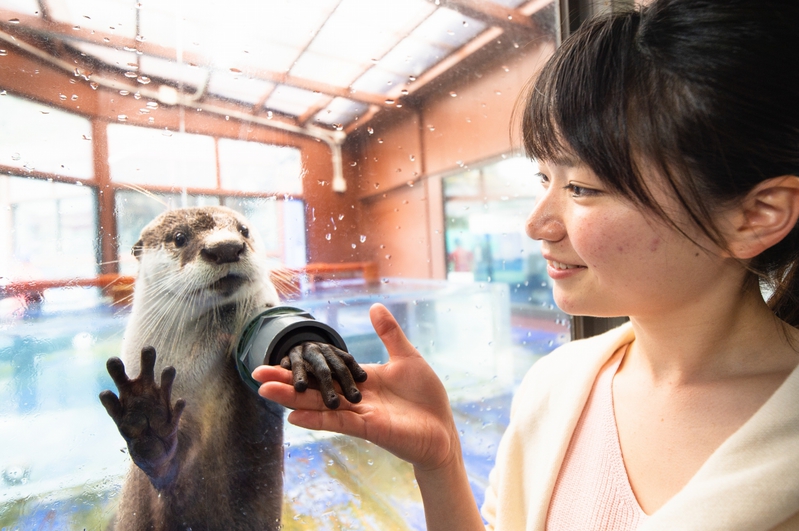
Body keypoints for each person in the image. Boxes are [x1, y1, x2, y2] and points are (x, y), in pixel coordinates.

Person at [252, 0, 799, 529]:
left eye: (582, 187)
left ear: (756, 216)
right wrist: (439, 459)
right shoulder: (558, 385)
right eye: (543, 179)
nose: (537, 224)